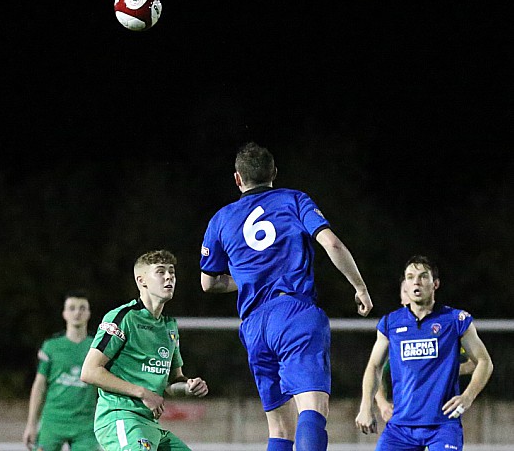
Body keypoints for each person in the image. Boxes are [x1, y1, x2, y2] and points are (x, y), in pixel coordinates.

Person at [199, 142, 373, 451]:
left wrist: (250, 277)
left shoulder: (221, 219)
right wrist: (359, 286)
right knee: (312, 410)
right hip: (294, 315)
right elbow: (331, 244)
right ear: (274, 174)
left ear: (238, 179)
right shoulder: (294, 200)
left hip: (253, 326)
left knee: (279, 428)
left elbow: (208, 284)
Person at [355, 255, 493, 450]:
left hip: (443, 425)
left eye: (423, 276)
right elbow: (374, 366)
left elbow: (484, 362)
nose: (416, 282)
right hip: (401, 427)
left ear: (435, 284)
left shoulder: (455, 320)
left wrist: (468, 396)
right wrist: (366, 406)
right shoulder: (390, 323)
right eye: (410, 277)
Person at [80, 249, 209, 451]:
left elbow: (171, 382)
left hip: (150, 424)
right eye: (160, 271)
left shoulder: (169, 327)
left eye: (172, 272)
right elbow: (89, 371)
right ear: (142, 281)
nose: (169, 277)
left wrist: (189, 386)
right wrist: (142, 393)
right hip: (120, 417)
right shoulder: (123, 318)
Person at [373, 280, 476, 423]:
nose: (412, 293)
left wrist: (442, 370)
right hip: (406, 419)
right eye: (405, 291)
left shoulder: (443, 329)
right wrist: (382, 404)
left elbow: (475, 363)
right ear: (402, 298)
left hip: (441, 416)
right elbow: (375, 370)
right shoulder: (395, 333)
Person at [22, 290, 100, 451]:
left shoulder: (97, 348)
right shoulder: (51, 346)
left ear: (89, 313)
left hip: (85, 425)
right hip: (53, 422)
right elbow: (39, 385)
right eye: (72, 308)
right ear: (64, 314)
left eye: (82, 308)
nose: (77, 312)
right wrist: (31, 424)